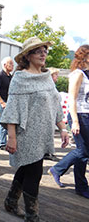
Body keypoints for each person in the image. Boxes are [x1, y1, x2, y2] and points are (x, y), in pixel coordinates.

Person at [0, 37, 69, 221]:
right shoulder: (20, 78)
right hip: (26, 134)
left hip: (44, 134)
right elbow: (12, 109)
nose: (43, 53)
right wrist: (11, 137)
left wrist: (62, 128)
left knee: (27, 169)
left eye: (45, 50)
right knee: (35, 172)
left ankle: (11, 201)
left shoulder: (47, 77)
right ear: (28, 56)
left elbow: (54, 105)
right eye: (38, 51)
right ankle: (32, 215)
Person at [48, 45, 89, 199]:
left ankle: (81, 186)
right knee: (83, 151)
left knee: (84, 152)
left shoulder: (87, 74)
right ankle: (57, 169)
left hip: (87, 115)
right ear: (84, 57)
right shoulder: (77, 74)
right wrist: (76, 122)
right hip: (79, 115)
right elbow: (72, 98)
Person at [0, 57, 14, 149]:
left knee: (6, 122)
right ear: (5, 65)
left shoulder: (10, 76)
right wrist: (1, 102)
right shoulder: (0, 75)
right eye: (11, 64)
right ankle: (2, 143)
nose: (12, 66)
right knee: (3, 122)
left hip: (8, 101)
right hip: (2, 101)